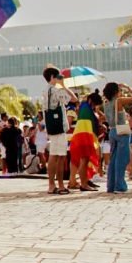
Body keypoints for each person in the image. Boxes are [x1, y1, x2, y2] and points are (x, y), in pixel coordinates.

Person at [43, 66, 77, 195]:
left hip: (52, 126)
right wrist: (63, 85)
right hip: (59, 127)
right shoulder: (56, 90)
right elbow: (74, 99)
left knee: (54, 155)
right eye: (58, 76)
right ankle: (58, 185)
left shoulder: (46, 90)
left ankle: (52, 184)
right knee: (59, 156)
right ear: (52, 77)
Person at [103, 82, 132, 193]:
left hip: (112, 131)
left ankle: (111, 186)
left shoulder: (106, 103)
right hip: (121, 131)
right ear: (116, 91)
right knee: (122, 159)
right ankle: (120, 186)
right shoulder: (119, 101)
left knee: (113, 160)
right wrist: (127, 87)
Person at [67, 91, 102, 191]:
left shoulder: (83, 106)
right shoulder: (87, 108)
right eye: (95, 104)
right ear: (91, 101)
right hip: (85, 135)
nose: (95, 106)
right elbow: (91, 124)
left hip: (80, 134)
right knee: (84, 160)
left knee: (80, 160)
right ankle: (84, 184)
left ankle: (80, 182)